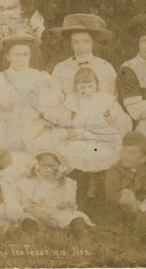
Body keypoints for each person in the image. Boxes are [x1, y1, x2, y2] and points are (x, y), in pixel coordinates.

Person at [54, 68, 132, 208]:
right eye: (82, 87)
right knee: (76, 152)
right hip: (81, 134)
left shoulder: (104, 98)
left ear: (96, 84)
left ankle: (97, 183)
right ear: (76, 86)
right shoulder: (73, 100)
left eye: (90, 86)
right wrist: (69, 126)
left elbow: (117, 116)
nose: (87, 90)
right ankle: (83, 186)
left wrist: (111, 117)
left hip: (101, 134)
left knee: (102, 154)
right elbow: (64, 117)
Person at [0, 18, 61, 152]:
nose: (21, 59)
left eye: (24, 54)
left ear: (30, 55)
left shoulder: (41, 78)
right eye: (16, 54)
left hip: (37, 132)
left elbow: (50, 109)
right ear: (8, 56)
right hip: (6, 132)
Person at [16, 140, 95, 239]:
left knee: (76, 216)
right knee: (26, 219)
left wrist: (66, 205)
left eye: (53, 165)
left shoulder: (66, 183)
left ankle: (81, 235)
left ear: (59, 167)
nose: (49, 170)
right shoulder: (29, 183)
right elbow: (26, 205)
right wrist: (39, 215)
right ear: (36, 166)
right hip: (37, 214)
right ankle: (37, 235)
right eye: (45, 166)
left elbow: (71, 205)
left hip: (58, 213)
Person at [105, 132, 146, 238]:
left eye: (133, 153)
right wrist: (130, 202)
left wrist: (145, 203)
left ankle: (144, 226)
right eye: (124, 151)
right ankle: (144, 225)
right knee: (126, 193)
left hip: (142, 207)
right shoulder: (114, 171)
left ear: (143, 158)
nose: (126, 156)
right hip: (120, 209)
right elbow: (111, 194)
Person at [50, 14, 117, 99]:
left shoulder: (106, 68)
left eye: (86, 41)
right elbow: (55, 100)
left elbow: (114, 98)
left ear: (93, 41)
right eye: (76, 42)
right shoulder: (61, 69)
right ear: (71, 42)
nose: (81, 46)